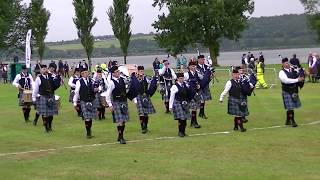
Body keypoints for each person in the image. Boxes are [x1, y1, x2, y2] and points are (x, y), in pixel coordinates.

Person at [105, 66, 131, 144]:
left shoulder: (122, 80)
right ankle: (121, 138)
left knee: (124, 121)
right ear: (113, 74)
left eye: (118, 71)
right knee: (120, 121)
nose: (118, 73)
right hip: (116, 102)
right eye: (116, 72)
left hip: (124, 101)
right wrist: (110, 105)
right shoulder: (112, 82)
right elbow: (107, 95)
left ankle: (120, 137)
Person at [32, 65, 61, 133]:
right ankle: (46, 128)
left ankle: (50, 126)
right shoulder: (39, 78)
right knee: (45, 114)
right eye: (43, 69)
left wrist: (58, 78)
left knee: (51, 114)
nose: (45, 70)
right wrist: (34, 97)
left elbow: (55, 86)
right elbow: (36, 89)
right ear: (41, 70)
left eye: (45, 69)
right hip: (43, 96)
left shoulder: (51, 76)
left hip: (51, 96)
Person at [219, 68, 248, 132]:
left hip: (240, 99)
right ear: (232, 75)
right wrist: (221, 98)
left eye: (237, 74)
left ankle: (235, 127)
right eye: (235, 74)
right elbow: (225, 91)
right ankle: (242, 128)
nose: (236, 75)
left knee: (237, 114)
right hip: (233, 99)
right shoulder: (229, 82)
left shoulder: (241, 81)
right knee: (239, 115)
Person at [73, 67, 99, 138]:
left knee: (90, 118)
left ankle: (89, 130)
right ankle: (88, 133)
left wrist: (98, 89)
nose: (87, 73)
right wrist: (75, 102)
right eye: (85, 72)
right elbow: (77, 92)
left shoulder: (91, 80)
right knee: (87, 117)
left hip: (92, 100)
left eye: (87, 72)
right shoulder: (79, 82)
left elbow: (94, 88)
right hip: (84, 101)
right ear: (82, 74)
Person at [131, 66, 158, 133]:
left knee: (146, 114)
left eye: (142, 71)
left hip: (145, 97)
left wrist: (154, 80)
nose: (142, 72)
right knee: (141, 113)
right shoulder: (134, 79)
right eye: (140, 71)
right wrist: (135, 100)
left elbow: (151, 83)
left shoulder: (145, 78)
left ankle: (145, 126)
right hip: (138, 97)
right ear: (137, 71)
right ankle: (142, 127)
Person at [279, 58, 304, 127]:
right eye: (286, 63)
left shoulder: (293, 70)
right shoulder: (281, 72)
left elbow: (300, 73)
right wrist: (297, 80)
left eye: (288, 63)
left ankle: (287, 121)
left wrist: (302, 74)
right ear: (283, 64)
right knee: (290, 107)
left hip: (294, 91)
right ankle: (292, 121)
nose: (288, 64)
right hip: (286, 91)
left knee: (290, 107)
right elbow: (286, 81)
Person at [169, 72, 196, 137]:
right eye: (180, 78)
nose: (182, 80)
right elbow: (172, 96)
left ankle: (183, 132)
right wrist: (170, 106)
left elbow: (189, 92)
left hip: (184, 103)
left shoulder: (185, 84)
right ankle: (180, 132)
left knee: (185, 118)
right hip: (177, 103)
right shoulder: (174, 86)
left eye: (182, 78)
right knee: (181, 118)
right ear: (177, 79)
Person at [197, 55, 213, 119]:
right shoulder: (196, 67)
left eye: (203, 59)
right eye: (201, 59)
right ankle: (201, 113)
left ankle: (201, 113)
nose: (202, 61)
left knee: (203, 100)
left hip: (205, 85)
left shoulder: (207, 67)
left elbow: (209, 76)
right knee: (201, 100)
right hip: (198, 85)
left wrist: (210, 77)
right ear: (198, 60)